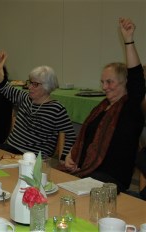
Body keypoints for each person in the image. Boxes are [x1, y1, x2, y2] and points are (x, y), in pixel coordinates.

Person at [63, 18, 145, 193]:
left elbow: (137, 77)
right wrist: (72, 154)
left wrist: (128, 40)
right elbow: (86, 139)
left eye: (110, 82)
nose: (104, 87)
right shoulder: (102, 107)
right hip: (87, 173)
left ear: (125, 83)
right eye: (102, 82)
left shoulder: (131, 108)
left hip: (110, 180)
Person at [0, 51, 76, 158]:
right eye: (30, 82)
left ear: (47, 86)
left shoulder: (56, 109)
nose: (30, 87)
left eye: (35, 84)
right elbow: (3, 86)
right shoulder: (25, 98)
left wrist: (64, 158)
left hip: (33, 158)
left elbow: (70, 135)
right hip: (10, 149)